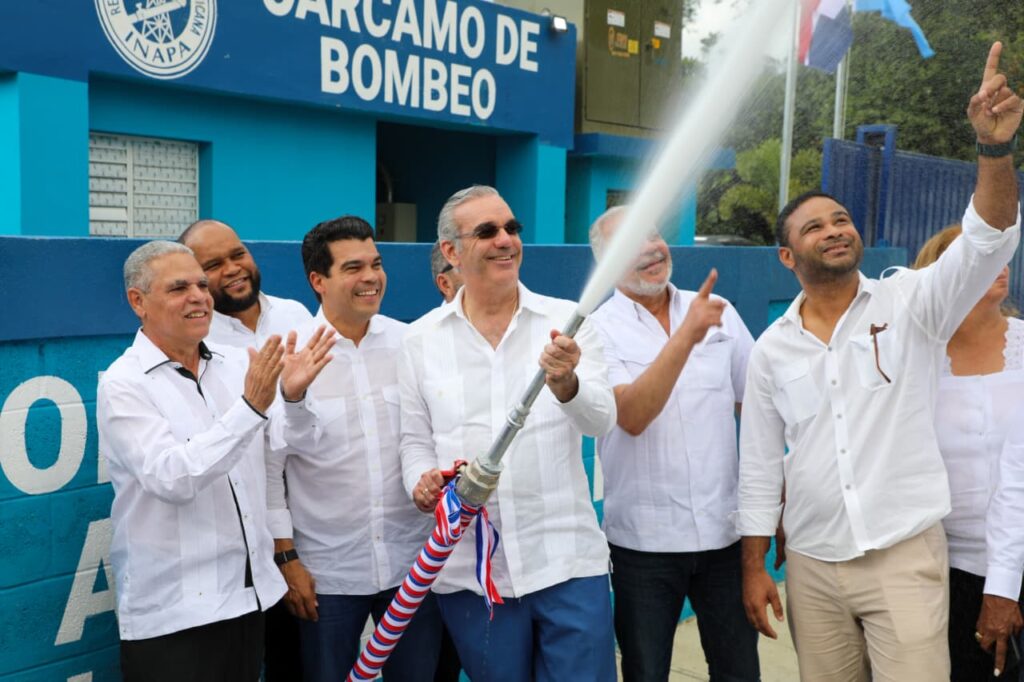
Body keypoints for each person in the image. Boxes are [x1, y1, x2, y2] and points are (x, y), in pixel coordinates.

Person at [736, 42, 1022, 681]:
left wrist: (994, 149)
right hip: (812, 563)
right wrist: (755, 567)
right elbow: (758, 467)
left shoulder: (913, 302)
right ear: (787, 256)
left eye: (840, 219)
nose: (834, 230)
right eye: (814, 227)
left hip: (904, 557)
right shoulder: (771, 348)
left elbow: (987, 240)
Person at [399, 185, 618, 681]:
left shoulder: (567, 322)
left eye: (511, 228)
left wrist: (567, 384)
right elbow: (414, 441)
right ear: (452, 251)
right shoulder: (419, 341)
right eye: (487, 231)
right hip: (472, 578)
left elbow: (601, 420)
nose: (505, 240)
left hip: (566, 563)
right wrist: (421, 481)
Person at [97, 240, 334, 682]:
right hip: (175, 611)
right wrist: (251, 407)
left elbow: (290, 444)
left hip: (247, 598)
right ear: (138, 302)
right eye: (179, 288)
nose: (199, 297)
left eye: (202, 286)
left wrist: (293, 397)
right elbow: (171, 478)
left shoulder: (234, 365)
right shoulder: (123, 384)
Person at [587, 206, 759, 681]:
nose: (650, 248)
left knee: (740, 670)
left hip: (725, 534)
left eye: (653, 235)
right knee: (646, 672)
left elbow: (757, 406)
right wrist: (687, 336)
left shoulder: (718, 309)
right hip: (644, 545)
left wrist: (770, 498)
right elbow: (632, 415)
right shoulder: (597, 330)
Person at [269, 216, 441, 681]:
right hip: (328, 574)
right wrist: (287, 557)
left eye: (376, 264)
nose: (371, 277)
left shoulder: (411, 343)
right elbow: (269, 469)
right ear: (318, 280)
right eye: (353, 268)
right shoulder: (289, 355)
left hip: (413, 567)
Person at [179, 218, 313, 680]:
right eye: (213, 265)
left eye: (237, 254)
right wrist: (284, 553)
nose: (233, 269)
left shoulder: (296, 315)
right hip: (251, 548)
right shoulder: (198, 342)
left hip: (317, 527)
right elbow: (251, 459)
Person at [915, 226, 1024, 680]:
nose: (999, 264)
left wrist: (1004, 583)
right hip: (945, 567)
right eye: (980, 256)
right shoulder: (917, 361)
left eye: (1000, 254)